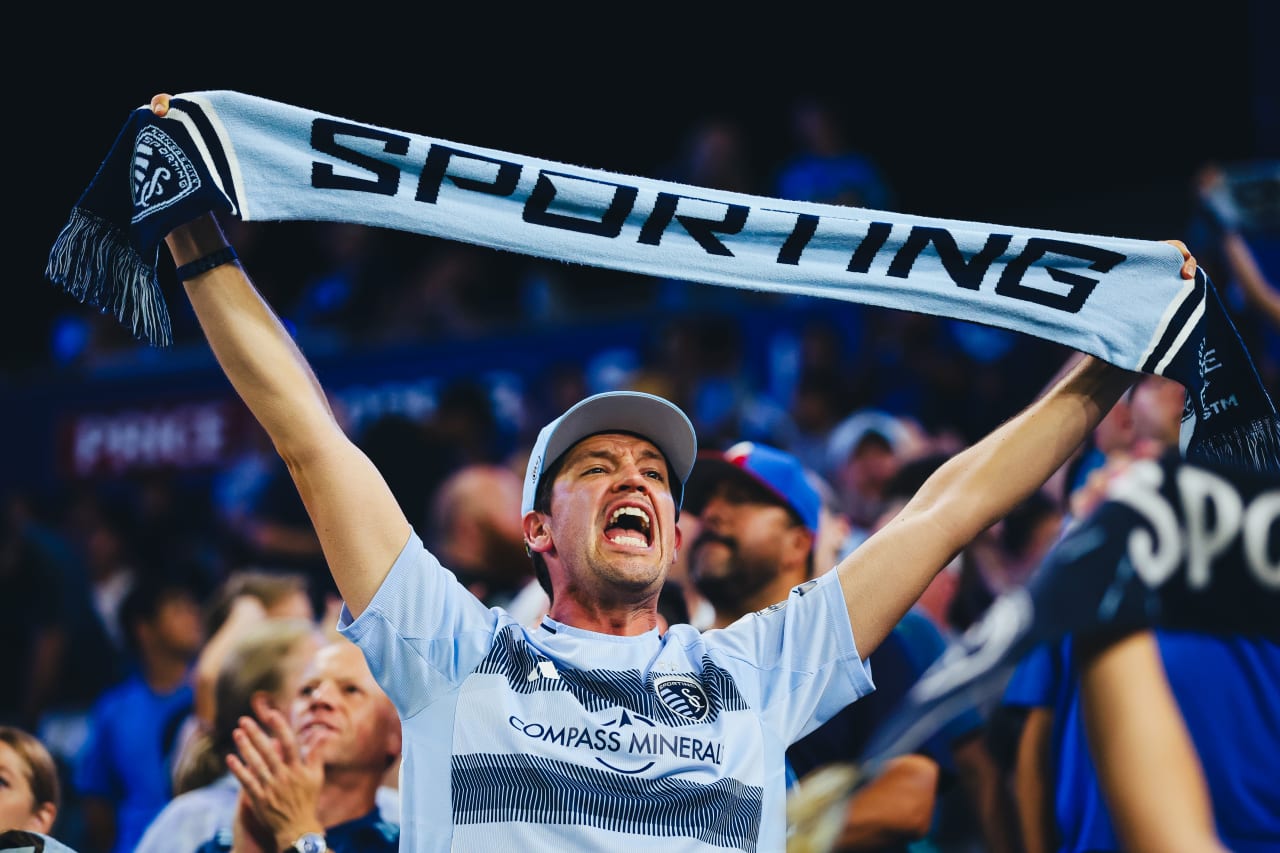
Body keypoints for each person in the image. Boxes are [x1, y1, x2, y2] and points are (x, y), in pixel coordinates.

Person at [148, 91, 1198, 851]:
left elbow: (952, 504)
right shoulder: (450, 646)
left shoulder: (753, 670)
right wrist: (195, 242)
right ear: (536, 531)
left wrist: (1111, 355)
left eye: (653, 472)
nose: (634, 482)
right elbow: (311, 434)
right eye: (595, 466)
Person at [683, 441, 940, 851]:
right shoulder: (669, 655)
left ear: (799, 543)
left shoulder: (861, 641)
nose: (711, 514)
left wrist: (778, 837)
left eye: (741, 500)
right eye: (706, 502)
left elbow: (909, 794)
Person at [194, 639, 401, 853]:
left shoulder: (404, 845)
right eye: (307, 690)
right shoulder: (223, 844)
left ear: (395, 735)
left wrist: (299, 831)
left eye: (350, 690)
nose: (319, 698)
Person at [72, 571, 206, 853]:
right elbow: (96, 797)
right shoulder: (116, 707)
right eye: (178, 608)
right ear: (144, 629)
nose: (194, 616)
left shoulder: (210, 696)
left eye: (193, 606)